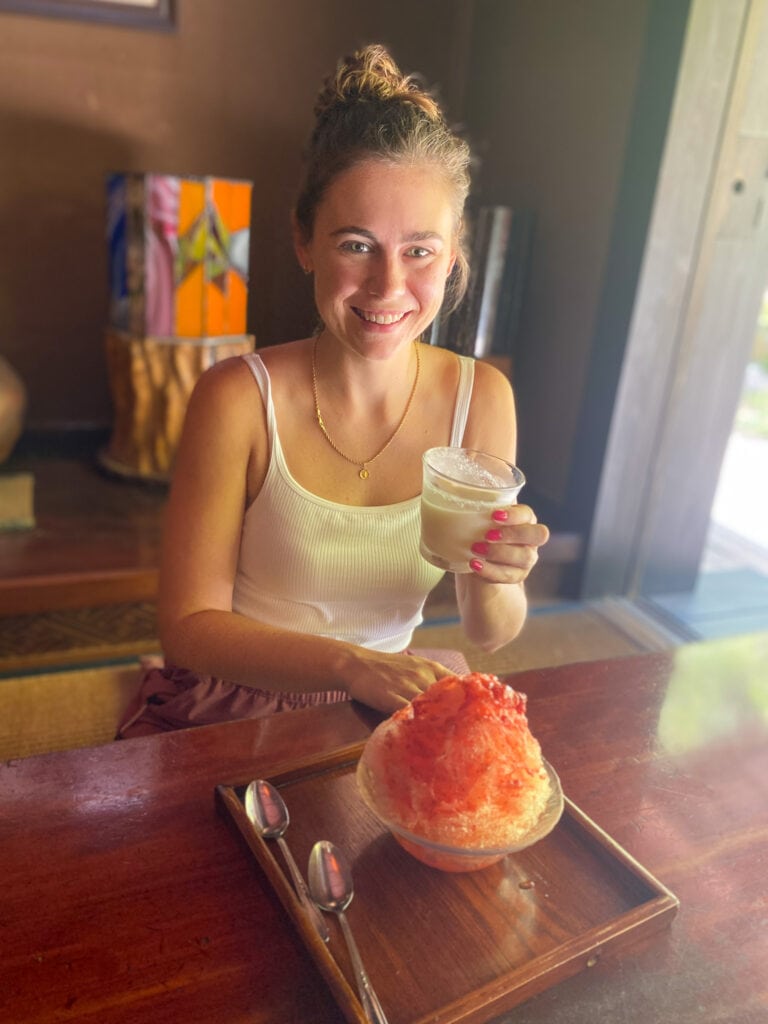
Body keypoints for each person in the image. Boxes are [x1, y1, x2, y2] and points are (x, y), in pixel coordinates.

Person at [116, 43, 549, 738]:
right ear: (303, 240)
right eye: (355, 244)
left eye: (419, 251)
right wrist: (351, 666)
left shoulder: (482, 399)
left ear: (454, 252)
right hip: (233, 702)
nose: (387, 287)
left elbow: (489, 631)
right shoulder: (236, 399)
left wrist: (501, 574)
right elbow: (190, 629)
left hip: (386, 701)